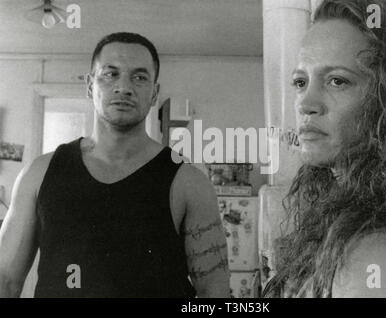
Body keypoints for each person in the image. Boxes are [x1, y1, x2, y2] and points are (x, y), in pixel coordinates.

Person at [0, 32, 230, 298]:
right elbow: (5, 280)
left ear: (154, 93)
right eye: (110, 74)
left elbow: (215, 293)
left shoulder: (189, 182)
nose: (124, 87)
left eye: (140, 77)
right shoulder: (39, 173)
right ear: (89, 86)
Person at [264, 0, 386, 297]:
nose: (305, 104)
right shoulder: (348, 214)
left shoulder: (385, 253)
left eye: (337, 81)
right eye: (300, 82)